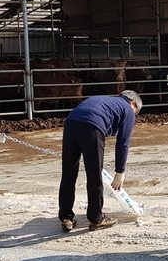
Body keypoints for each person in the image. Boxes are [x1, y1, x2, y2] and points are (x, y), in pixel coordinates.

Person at [58, 90, 142, 232]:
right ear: (133, 103)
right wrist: (120, 172)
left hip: (71, 124)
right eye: (136, 112)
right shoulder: (128, 109)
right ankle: (96, 218)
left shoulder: (105, 100)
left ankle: (66, 217)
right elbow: (123, 142)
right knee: (94, 174)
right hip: (92, 127)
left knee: (68, 173)